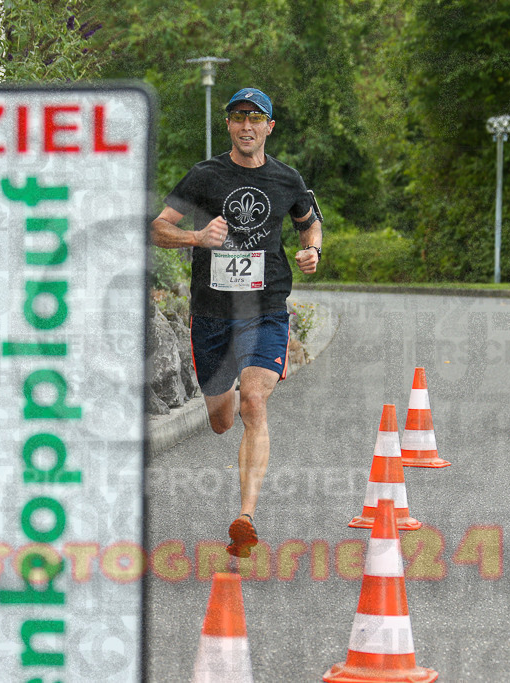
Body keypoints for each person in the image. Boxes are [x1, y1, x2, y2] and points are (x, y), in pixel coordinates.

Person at [150, 87, 322, 557]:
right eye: (238, 117)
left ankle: (245, 516)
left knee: (254, 404)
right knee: (222, 419)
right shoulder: (206, 175)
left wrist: (313, 249)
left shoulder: (287, 179)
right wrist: (197, 236)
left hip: (266, 308)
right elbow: (158, 227)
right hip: (212, 316)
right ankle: (220, 410)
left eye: (256, 118)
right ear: (228, 124)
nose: (247, 126)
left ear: (270, 126)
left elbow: (310, 222)